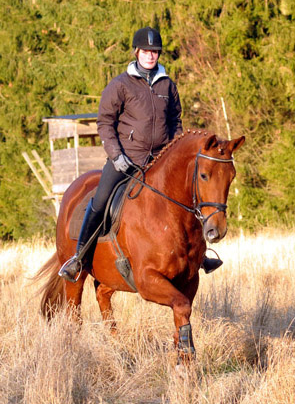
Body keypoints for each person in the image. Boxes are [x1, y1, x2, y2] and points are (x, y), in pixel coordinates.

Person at [58, 26, 222, 282]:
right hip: (125, 159)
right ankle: (78, 258)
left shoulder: (168, 85)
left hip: (159, 161)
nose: (150, 55)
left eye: (154, 51)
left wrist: (174, 151)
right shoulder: (120, 85)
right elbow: (105, 123)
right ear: (136, 52)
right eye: (146, 51)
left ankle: (200, 256)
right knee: (100, 203)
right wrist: (116, 155)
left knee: (190, 201)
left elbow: (175, 119)